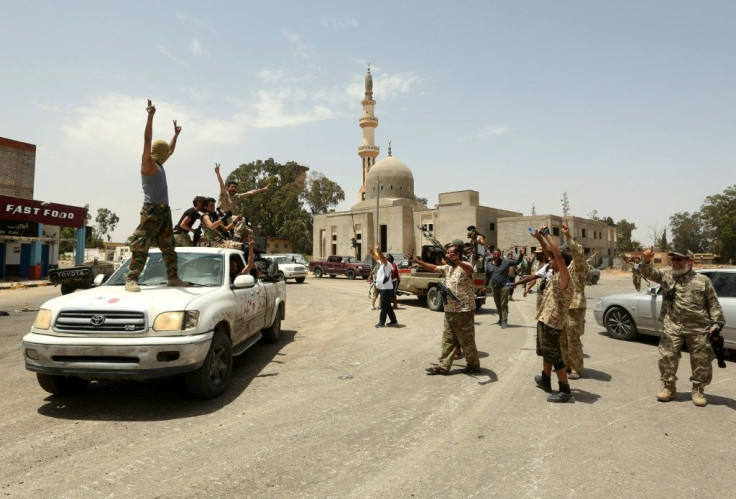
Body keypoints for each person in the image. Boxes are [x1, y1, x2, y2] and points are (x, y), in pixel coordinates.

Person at [640, 247, 725, 407]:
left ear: (690, 261)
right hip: (673, 324)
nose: (675, 262)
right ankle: (668, 388)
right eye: (673, 259)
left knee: (702, 360)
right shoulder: (667, 276)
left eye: (679, 259)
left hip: (698, 327)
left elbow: (713, 304)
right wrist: (645, 261)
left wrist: (716, 323)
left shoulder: (703, 280)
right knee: (667, 356)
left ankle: (698, 389)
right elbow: (648, 273)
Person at [125, 99, 186, 292]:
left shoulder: (160, 165)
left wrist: (175, 136)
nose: (168, 153)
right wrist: (150, 116)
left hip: (164, 211)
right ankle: (131, 279)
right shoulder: (148, 164)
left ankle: (173, 277)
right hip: (151, 211)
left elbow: (170, 150)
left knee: (169, 247)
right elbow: (147, 140)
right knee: (141, 245)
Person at [412, 244, 480, 375]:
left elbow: (471, 271)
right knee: (447, 340)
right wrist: (418, 261)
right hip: (449, 310)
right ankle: (443, 366)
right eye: (447, 253)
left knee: (467, 341)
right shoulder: (448, 268)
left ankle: (473, 366)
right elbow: (434, 268)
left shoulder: (465, 266)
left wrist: (458, 262)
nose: (447, 255)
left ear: (458, 254)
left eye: (450, 253)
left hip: (464, 310)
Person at [531, 225, 575, 403]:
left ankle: (565, 391)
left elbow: (556, 254)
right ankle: (545, 379)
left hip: (552, 323)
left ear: (561, 261)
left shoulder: (564, 276)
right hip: (544, 319)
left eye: (553, 259)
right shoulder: (555, 272)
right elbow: (551, 255)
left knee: (555, 355)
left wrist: (547, 234)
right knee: (546, 352)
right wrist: (539, 239)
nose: (549, 261)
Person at [559, 219, 589, 380]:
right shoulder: (565, 267)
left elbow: (578, 252)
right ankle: (567, 366)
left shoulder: (579, 265)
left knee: (573, 339)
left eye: (566, 251)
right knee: (563, 339)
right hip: (565, 307)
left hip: (575, 307)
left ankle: (577, 368)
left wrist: (568, 236)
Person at [215, 163, 270, 241]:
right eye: (232, 187)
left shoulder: (237, 196)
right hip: (222, 217)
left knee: (250, 232)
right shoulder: (224, 194)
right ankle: (236, 239)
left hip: (230, 218)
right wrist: (218, 173)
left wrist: (262, 189)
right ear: (228, 188)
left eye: (235, 187)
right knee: (241, 219)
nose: (234, 188)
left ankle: (243, 246)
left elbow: (250, 193)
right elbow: (221, 184)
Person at [483, 248, 525, 328]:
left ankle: (504, 321)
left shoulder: (505, 262)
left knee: (503, 303)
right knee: (498, 304)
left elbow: (517, 262)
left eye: (498, 254)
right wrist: (485, 286)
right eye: (495, 254)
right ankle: (500, 318)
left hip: (505, 285)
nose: (496, 256)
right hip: (495, 287)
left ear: (500, 255)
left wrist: (521, 255)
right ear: (492, 255)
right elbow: (487, 276)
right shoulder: (489, 264)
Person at [371, 244, 399, 328]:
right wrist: (372, 252)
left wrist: (379, 251)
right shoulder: (383, 264)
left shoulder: (388, 265)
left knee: (384, 306)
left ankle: (381, 322)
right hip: (384, 288)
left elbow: (382, 258)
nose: (382, 258)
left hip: (386, 289)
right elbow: (377, 259)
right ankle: (393, 321)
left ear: (387, 259)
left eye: (384, 257)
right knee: (387, 306)